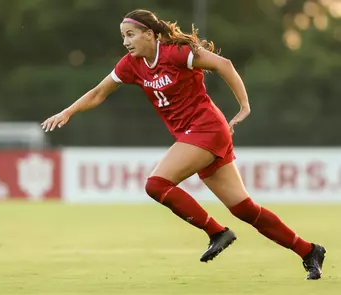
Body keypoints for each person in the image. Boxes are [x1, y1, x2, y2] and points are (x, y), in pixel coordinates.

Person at [41, 9, 326, 280]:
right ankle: (309, 251)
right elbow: (99, 93)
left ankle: (216, 232)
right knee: (244, 209)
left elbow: (223, 64)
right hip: (197, 137)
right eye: (123, 36)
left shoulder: (176, 53)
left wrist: (244, 105)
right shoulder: (132, 65)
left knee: (156, 184)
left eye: (131, 35)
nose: (126, 42)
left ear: (151, 34)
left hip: (207, 130)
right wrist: (68, 112)